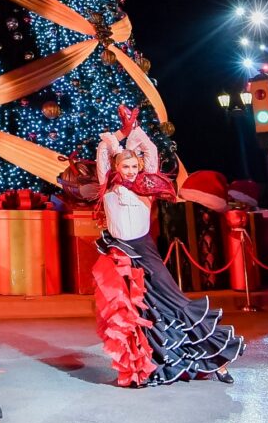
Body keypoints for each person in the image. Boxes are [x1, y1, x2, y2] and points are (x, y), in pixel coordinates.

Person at [92, 123, 241, 386]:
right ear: (116, 167)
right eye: (125, 167)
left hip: (144, 251)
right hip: (121, 255)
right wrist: (120, 136)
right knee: (140, 315)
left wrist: (135, 130)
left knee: (175, 302)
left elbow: (149, 149)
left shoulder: (147, 184)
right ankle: (146, 368)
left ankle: (219, 359)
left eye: (133, 167)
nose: (129, 171)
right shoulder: (108, 185)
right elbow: (103, 150)